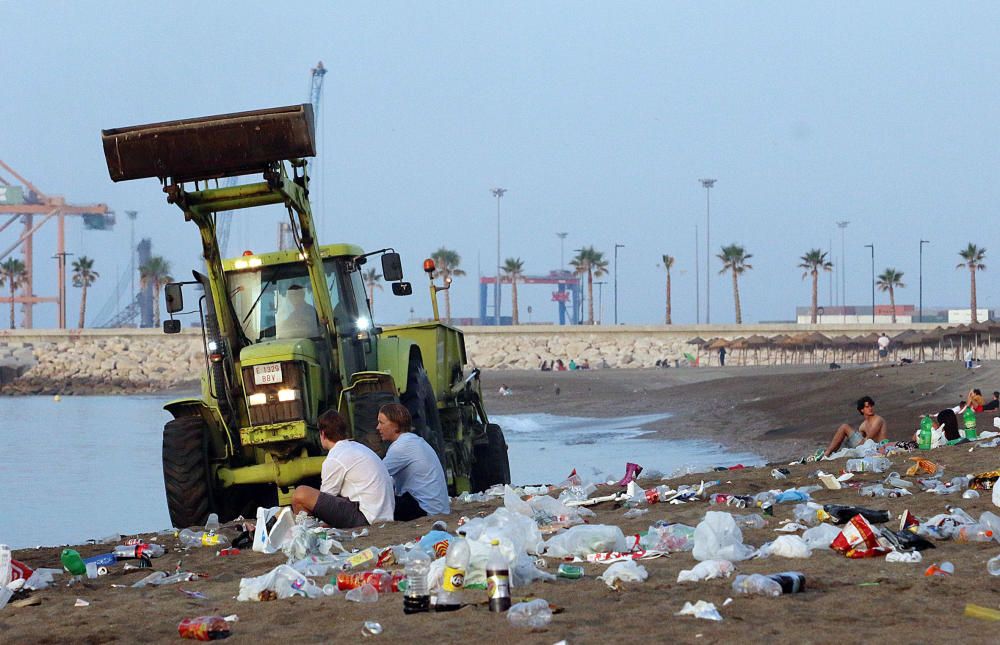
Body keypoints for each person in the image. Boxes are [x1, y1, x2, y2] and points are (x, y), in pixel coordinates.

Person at [291, 409, 395, 528]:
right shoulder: (358, 447)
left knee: (300, 494)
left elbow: (324, 502)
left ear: (323, 434)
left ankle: (305, 532)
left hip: (366, 518)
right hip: (381, 514)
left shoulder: (335, 458)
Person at [377, 403, 450, 521]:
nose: (378, 427)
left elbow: (375, 475)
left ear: (396, 425)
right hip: (437, 509)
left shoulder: (401, 447)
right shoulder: (413, 441)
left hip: (425, 511)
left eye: (381, 423)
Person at [823, 395, 887, 457]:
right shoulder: (863, 425)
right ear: (862, 410)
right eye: (867, 407)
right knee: (844, 439)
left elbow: (869, 438)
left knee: (844, 427)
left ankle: (827, 453)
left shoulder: (878, 420)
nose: (870, 408)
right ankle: (830, 453)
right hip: (866, 446)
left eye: (871, 406)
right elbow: (859, 439)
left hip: (877, 447)